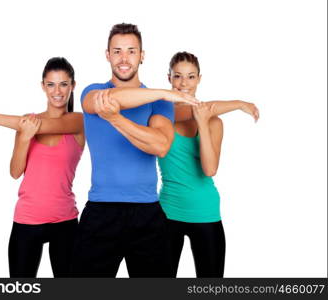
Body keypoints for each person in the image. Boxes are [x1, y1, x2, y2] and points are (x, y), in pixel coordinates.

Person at [70, 23, 201, 278]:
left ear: (142, 56)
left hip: (147, 213)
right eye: (117, 51)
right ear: (107, 55)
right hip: (101, 210)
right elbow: (112, 99)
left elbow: (161, 145)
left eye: (131, 51)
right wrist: (164, 93)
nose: (124, 58)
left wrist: (116, 119)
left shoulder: (160, 104)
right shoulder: (91, 91)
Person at [0, 57, 84, 277]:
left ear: (72, 86)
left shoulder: (77, 121)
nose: (57, 91)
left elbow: (48, 126)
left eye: (63, 84)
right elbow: (15, 172)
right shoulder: (25, 123)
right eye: (51, 84)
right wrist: (24, 138)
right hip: (27, 218)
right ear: (43, 86)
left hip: (65, 219)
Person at [158, 51, 259, 277]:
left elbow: (210, 169)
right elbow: (184, 111)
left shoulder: (214, 122)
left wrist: (203, 123)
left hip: (205, 211)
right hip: (167, 212)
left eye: (191, 77)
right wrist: (238, 104)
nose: (184, 83)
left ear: (199, 79)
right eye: (178, 76)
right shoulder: (159, 114)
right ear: (169, 78)